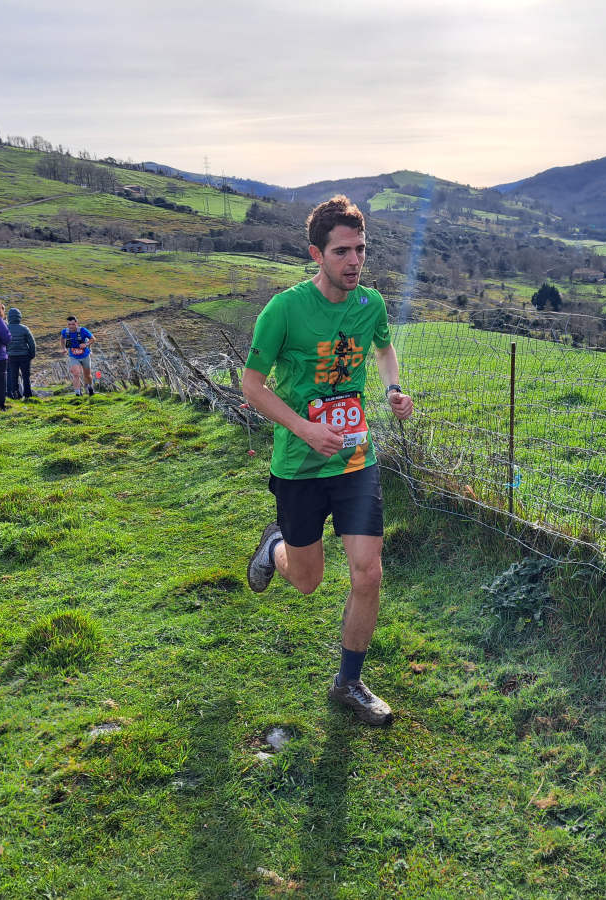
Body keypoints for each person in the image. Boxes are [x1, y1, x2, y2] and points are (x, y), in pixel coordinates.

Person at [242, 195, 414, 727]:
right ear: (316, 253)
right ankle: (276, 548)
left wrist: (393, 389)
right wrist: (303, 427)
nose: (354, 261)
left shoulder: (370, 305)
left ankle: (350, 682)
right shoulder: (285, 310)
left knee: (368, 572)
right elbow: (251, 386)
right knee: (310, 580)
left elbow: (383, 350)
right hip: (299, 463)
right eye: (342, 251)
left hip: (355, 458)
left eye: (360, 249)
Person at [5, 307, 37, 399]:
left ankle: (15, 393)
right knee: (26, 376)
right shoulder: (24, 328)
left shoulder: (6, 329)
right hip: (24, 356)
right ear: (19, 317)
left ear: (9, 317)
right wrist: (32, 355)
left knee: (13, 376)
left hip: (11, 356)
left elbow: (3, 343)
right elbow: (32, 343)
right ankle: (27, 394)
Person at [60, 315, 95, 396]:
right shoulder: (65, 332)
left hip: (85, 355)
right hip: (73, 356)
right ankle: (78, 394)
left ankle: (90, 387)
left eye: (73, 324)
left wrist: (86, 344)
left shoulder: (83, 330)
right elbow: (62, 339)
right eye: (69, 324)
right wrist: (63, 348)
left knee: (87, 375)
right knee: (76, 374)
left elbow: (93, 339)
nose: (71, 326)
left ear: (77, 323)